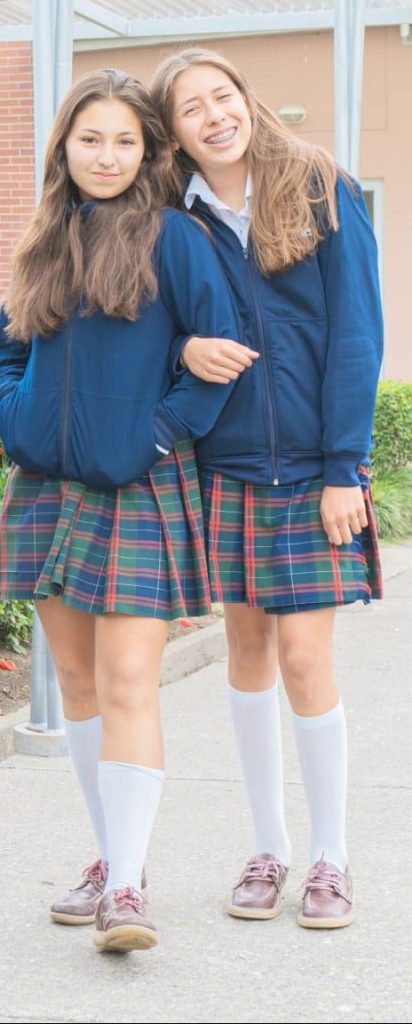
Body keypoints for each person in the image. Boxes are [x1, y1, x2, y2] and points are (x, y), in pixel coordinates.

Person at [0, 68, 251, 954]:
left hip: (138, 483)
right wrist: (16, 418)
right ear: (65, 147)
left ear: (147, 153)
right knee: (76, 686)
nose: (106, 157)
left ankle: (129, 888)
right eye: (90, 139)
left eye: (124, 142)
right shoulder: (42, 238)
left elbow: (219, 358)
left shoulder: (175, 238)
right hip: (46, 483)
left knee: (128, 683)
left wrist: (155, 435)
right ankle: (109, 858)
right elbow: (10, 349)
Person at [151, 48, 384, 929]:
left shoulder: (322, 188)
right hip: (224, 468)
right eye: (191, 108)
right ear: (173, 132)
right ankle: (268, 848)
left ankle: (331, 858)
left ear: (246, 100)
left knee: (305, 661)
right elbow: (149, 328)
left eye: (223, 96)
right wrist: (182, 349)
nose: (214, 116)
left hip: (314, 474)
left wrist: (343, 468)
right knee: (245, 655)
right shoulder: (171, 217)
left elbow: (358, 334)